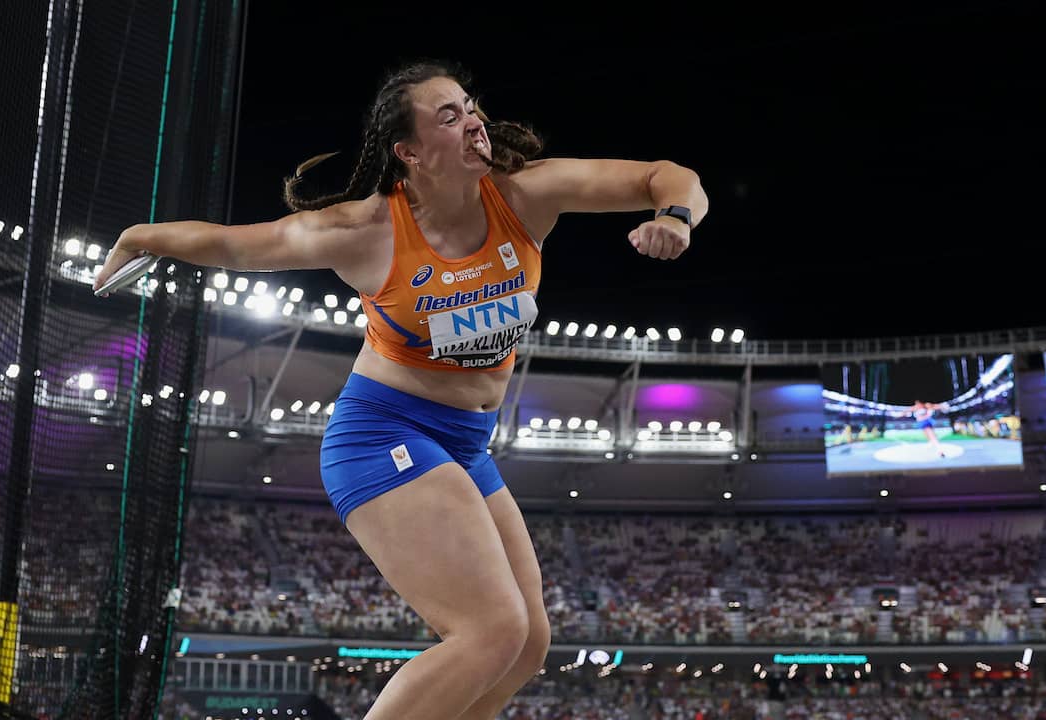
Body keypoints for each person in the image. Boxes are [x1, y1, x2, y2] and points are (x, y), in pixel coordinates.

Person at [94, 60, 708, 720]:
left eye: (471, 105)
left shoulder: (523, 194)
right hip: (384, 434)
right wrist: (140, 236)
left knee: (527, 643)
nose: (473, 120)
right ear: (409, 152)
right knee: (490, 630)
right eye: (449, 115)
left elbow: (665, 176)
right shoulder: (367, 231)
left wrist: (675, 216)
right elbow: (234, 247)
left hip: (468, 444)